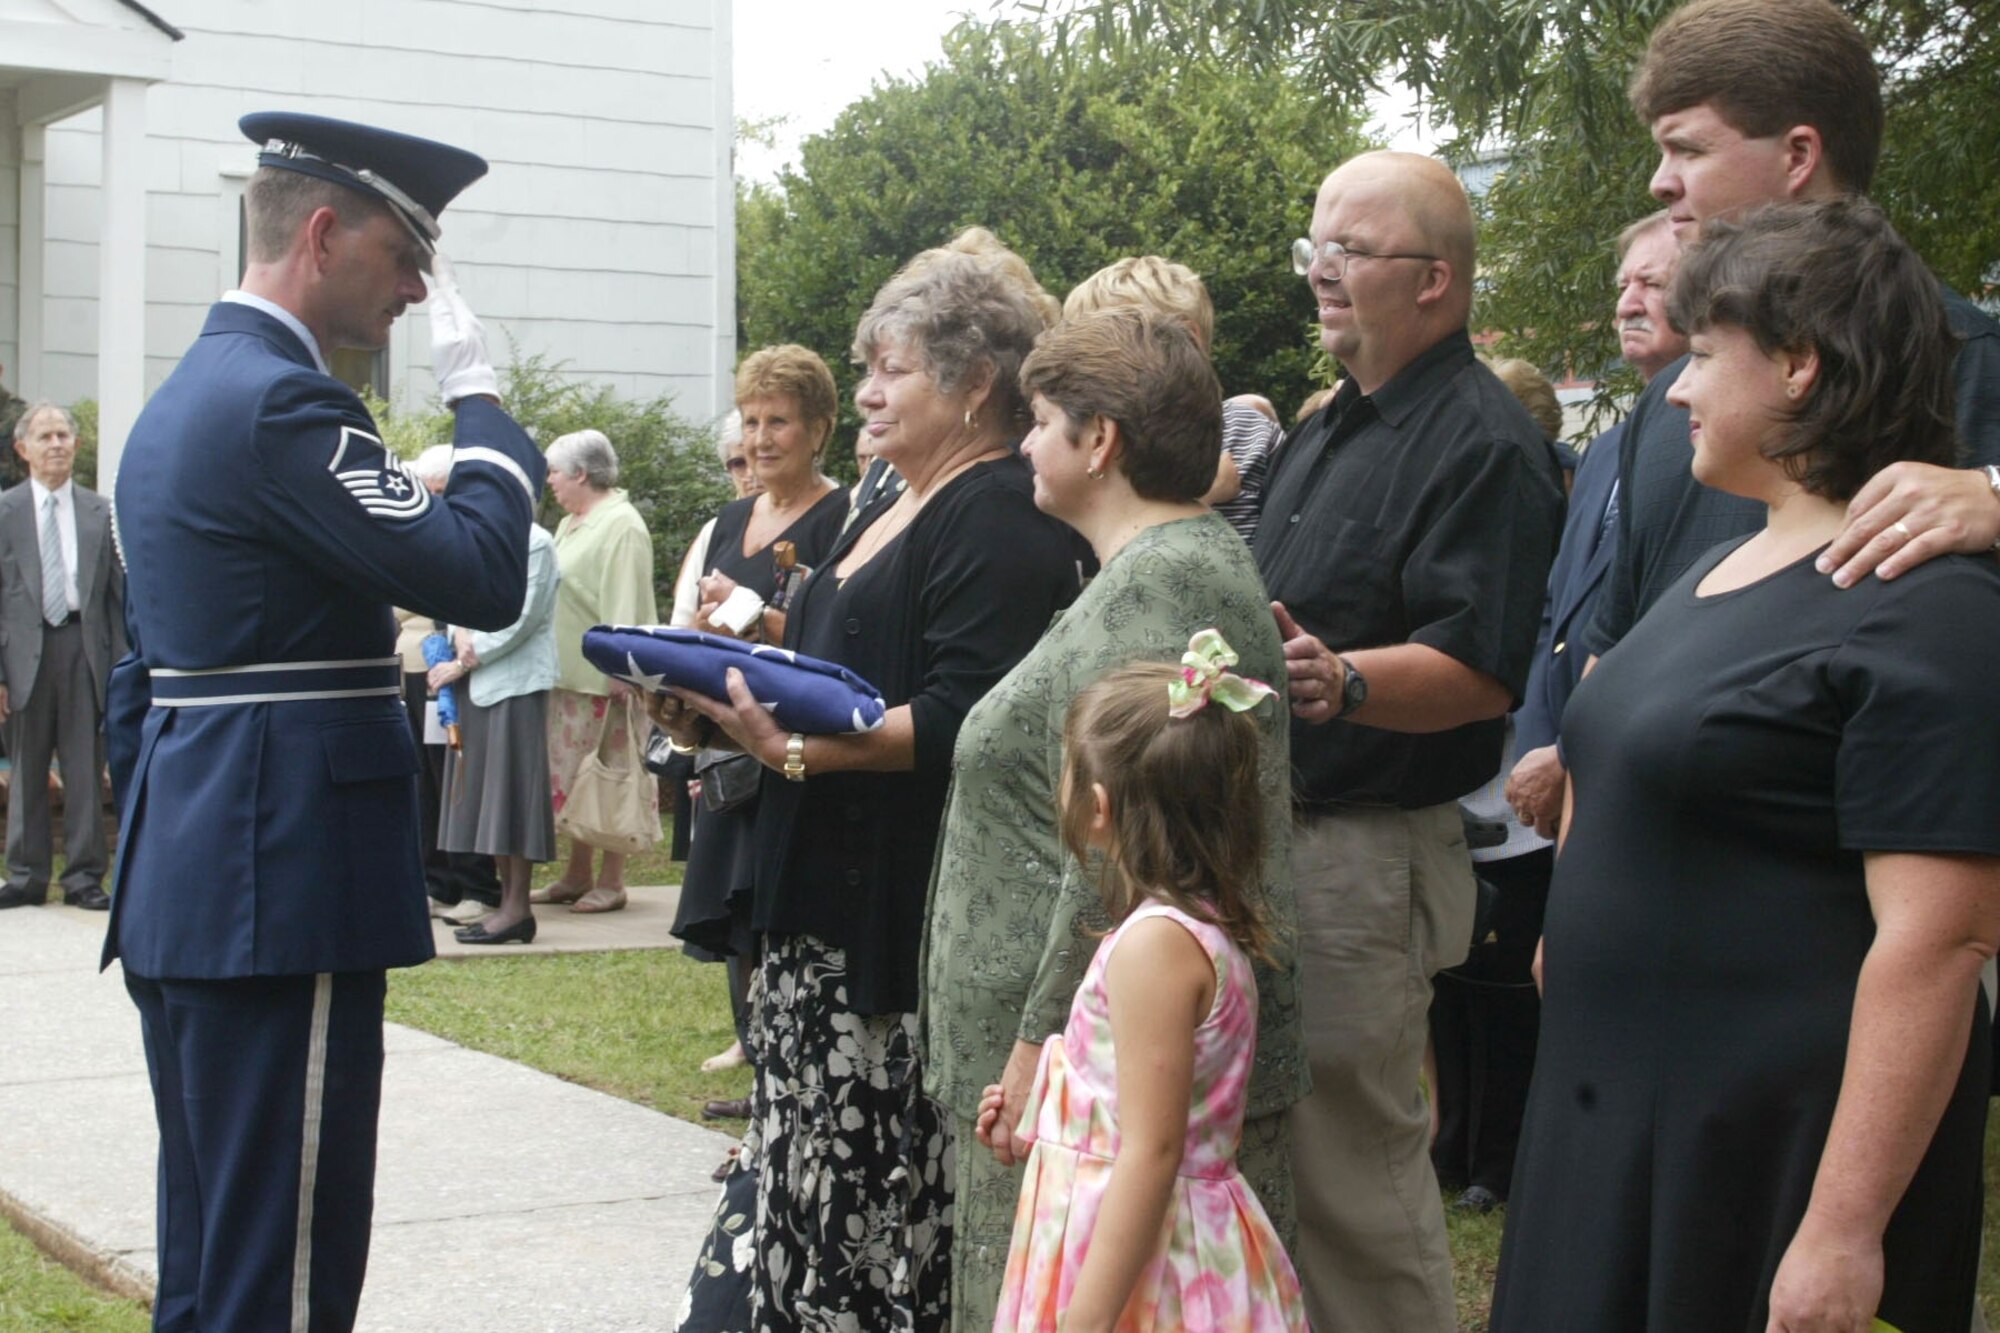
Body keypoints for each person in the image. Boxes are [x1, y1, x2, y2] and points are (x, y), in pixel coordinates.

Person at [1493, 196, 2000, 1332]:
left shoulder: (1923, 610)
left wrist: (1841, 1229)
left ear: (1799, 366)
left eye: (1703, 355)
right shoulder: (1725, 560)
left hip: (1756, 1159)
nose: (1672, 386)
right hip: (1607, 1118)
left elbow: (1939, 939)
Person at [106, 112, 540, 1332]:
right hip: (274, 872)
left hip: (203, 862)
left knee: (212, 1263)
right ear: (318, 232)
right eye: (404, 254)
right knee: (280, 1276)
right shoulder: (289, 407)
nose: (414, 287)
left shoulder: (194, 395)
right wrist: (483, 408)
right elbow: (484, 577)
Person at [661, 243, 1086, 1332]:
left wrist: (791, 754)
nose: (864, 391)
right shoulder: (888, 498)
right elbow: (829, 671)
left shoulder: (994, 511)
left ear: (973, 383)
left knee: (871, 1225)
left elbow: (964, 721)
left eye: (889, 367)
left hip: (890, 933)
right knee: (797, 1205)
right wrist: (712, 700)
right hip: (813, 912)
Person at [923, 307, 1306, 1329]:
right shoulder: (1146, 571)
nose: (1020, 447)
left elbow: (1119, 858)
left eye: (1039, 422)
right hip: (1088, 1092)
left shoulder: (1168, 579)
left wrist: (1031, 1043)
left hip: (1101, 1103)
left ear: (1101, 440)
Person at [1252, 150, 1563, 1332]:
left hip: (1362, 860)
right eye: (1312, 248)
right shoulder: (1330, 426)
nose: (1319, 274)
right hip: (1276, 839)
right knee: (1280, 1167)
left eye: (1349, 252)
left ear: (1433, 281)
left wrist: (1342, 680)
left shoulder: (1482, 442)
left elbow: (1482, 674)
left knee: (1355, 1181)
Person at [1580, 0, 2000, 673]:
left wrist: (1996, 494)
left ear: (1799, 154)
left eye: (1687, 148)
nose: (1660, 182)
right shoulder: (1666, 404)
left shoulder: (1964, 364)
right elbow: (1610, 649)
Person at [980, 647, 1305, 1332]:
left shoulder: (1155, 947)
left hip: (1148, 1274)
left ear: (1097, 805)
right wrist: (1046, 1117)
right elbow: (1128, 1102)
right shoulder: (1187, 927)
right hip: (1142, 1239)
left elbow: (1155, 1149)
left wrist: (1088, 1319)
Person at [674, 345, 849, 1115]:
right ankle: (760, 1089)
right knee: (736, 924)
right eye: (752, 420)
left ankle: (788, 1095)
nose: (762, 437)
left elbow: (833, 641)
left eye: (780, 420)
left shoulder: (845, 517)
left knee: (781, 919)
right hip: (724, 749)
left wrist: (746, 618)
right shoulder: (730, 519)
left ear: (819, 428)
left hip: (794, 753)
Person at [1507, 211, 1684, 841]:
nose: (1628, 305)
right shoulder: (1606, 451)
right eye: (1621, 287)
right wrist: (1541, 742)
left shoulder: (1725, 456)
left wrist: (1572, 756)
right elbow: (1558, 611)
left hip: (1644, 781)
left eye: (1653, 285)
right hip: (1560, 784)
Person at [1060, 256, 1278, 542]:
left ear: (1189, 340)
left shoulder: (1245, 431)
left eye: (1109, 348)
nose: (1090, 369)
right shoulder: (1097, 445)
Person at [0, 403, 122, 911]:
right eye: (45, 436)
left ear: (76, 447)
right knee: (27, 767)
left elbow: (117, 599)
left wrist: (121, 671)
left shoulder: (100, 512)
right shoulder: (4, 513)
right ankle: (25, 876)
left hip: (83, 648)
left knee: (84, 767)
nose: (56, 444)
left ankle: (83, 877)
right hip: (22, 654)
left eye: (63, 436)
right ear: (22, 449)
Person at [537, 428, 658, 914]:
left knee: (612, 773)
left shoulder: (621, 524)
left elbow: (625, 601)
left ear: (581, 473)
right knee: (576, 778)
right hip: (569, 678)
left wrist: (622, 670)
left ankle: (612, 880)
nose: (548, 481)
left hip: (605, 681)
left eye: (553, 471)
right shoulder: (573, 522)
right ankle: (576, 873)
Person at [426, 518, 560, 945]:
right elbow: (452, 598)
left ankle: (518, 908)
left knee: (513, 799)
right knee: (491, 802)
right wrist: (460, 635)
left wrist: (466, 658)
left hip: (514, 685)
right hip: (474, 686)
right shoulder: (476, 536)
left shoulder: (534, 542)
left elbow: (521, 618)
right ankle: (507, 907)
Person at [398, 444, 504, 924]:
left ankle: (477, 884)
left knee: (457, 779)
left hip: (459, 670)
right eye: (427, 492)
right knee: (428, 782)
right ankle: (437, 880)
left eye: (440, 492)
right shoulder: (420, 532)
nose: (433, 502)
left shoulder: (473, 536)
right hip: (421, 669)